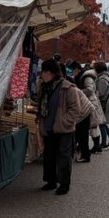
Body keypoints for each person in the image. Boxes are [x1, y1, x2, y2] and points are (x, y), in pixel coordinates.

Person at [35, 59, 83, 194]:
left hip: (63, 129)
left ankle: (64, 184)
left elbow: (75, 109)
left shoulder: (67, 87)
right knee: (49, 155)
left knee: (63, 156)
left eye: (45, 72)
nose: (42, 74)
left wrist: (65, 121)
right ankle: (50, 181)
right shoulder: (43, 87)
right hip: (48, 127)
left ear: (52, 73)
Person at [78, 64, 106, 153]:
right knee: (94, 125)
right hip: (92, 101)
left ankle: (96, 146)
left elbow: (89, 90)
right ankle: (97, 146)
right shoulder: (91, 76)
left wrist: (77, 92)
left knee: (92, 125)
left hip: (90, 102)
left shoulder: (88, 76)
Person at [93, 60, 109, 147]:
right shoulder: (107, 76)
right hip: (108, 101)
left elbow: (101, 93)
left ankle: (104, 142)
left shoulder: (102, 79)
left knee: (101, 122)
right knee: (103, 122)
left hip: (104, 103)